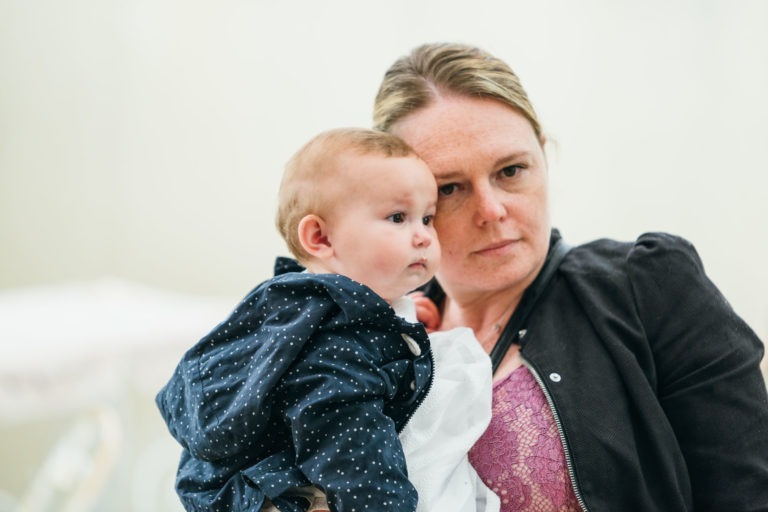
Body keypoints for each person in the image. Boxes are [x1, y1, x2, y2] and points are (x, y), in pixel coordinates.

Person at [372, 42, 768, 511]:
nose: (492, 210)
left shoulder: (644, 285)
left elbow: (746, 494)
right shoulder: (378, 334)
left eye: (511, 170)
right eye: (450, 188)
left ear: (542, 156)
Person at [156, 127, 500, 512]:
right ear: (320, 238)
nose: (422, 236)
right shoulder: (337, 345)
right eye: (398, 217)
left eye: (428, 218)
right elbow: (353, 455)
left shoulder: (294, 306)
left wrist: (402, 316)